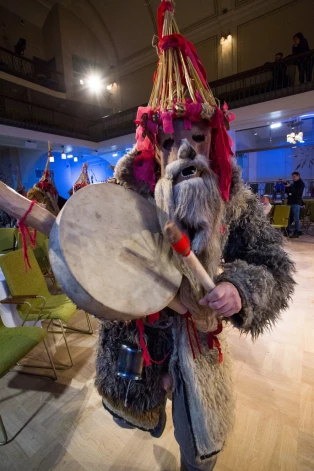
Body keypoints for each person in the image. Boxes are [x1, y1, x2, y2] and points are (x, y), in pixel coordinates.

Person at [95, 3, 295, 470]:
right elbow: (100, 261)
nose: (185, 150)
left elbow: (274, 266)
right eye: (170, 141)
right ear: (154, 145)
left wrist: (238, 288)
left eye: (197, 138)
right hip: (140, 345)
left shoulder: (235, 198)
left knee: (199, 453)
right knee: (136, 414)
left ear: (214, 136)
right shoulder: (129, 195)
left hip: (198, 345)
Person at [285, 171, 305, 238]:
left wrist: (290, 187)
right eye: (292, 176)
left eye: (294, 176)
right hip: (290, 201)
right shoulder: (293, 183)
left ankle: (297, 231)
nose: (293, 178)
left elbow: (297, 193)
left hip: (296, 202)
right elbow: (289, 192)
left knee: (296, 218)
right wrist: (287, 187)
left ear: (298, 176)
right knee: (288, 217)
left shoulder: (301, 184)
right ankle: (287, 230)